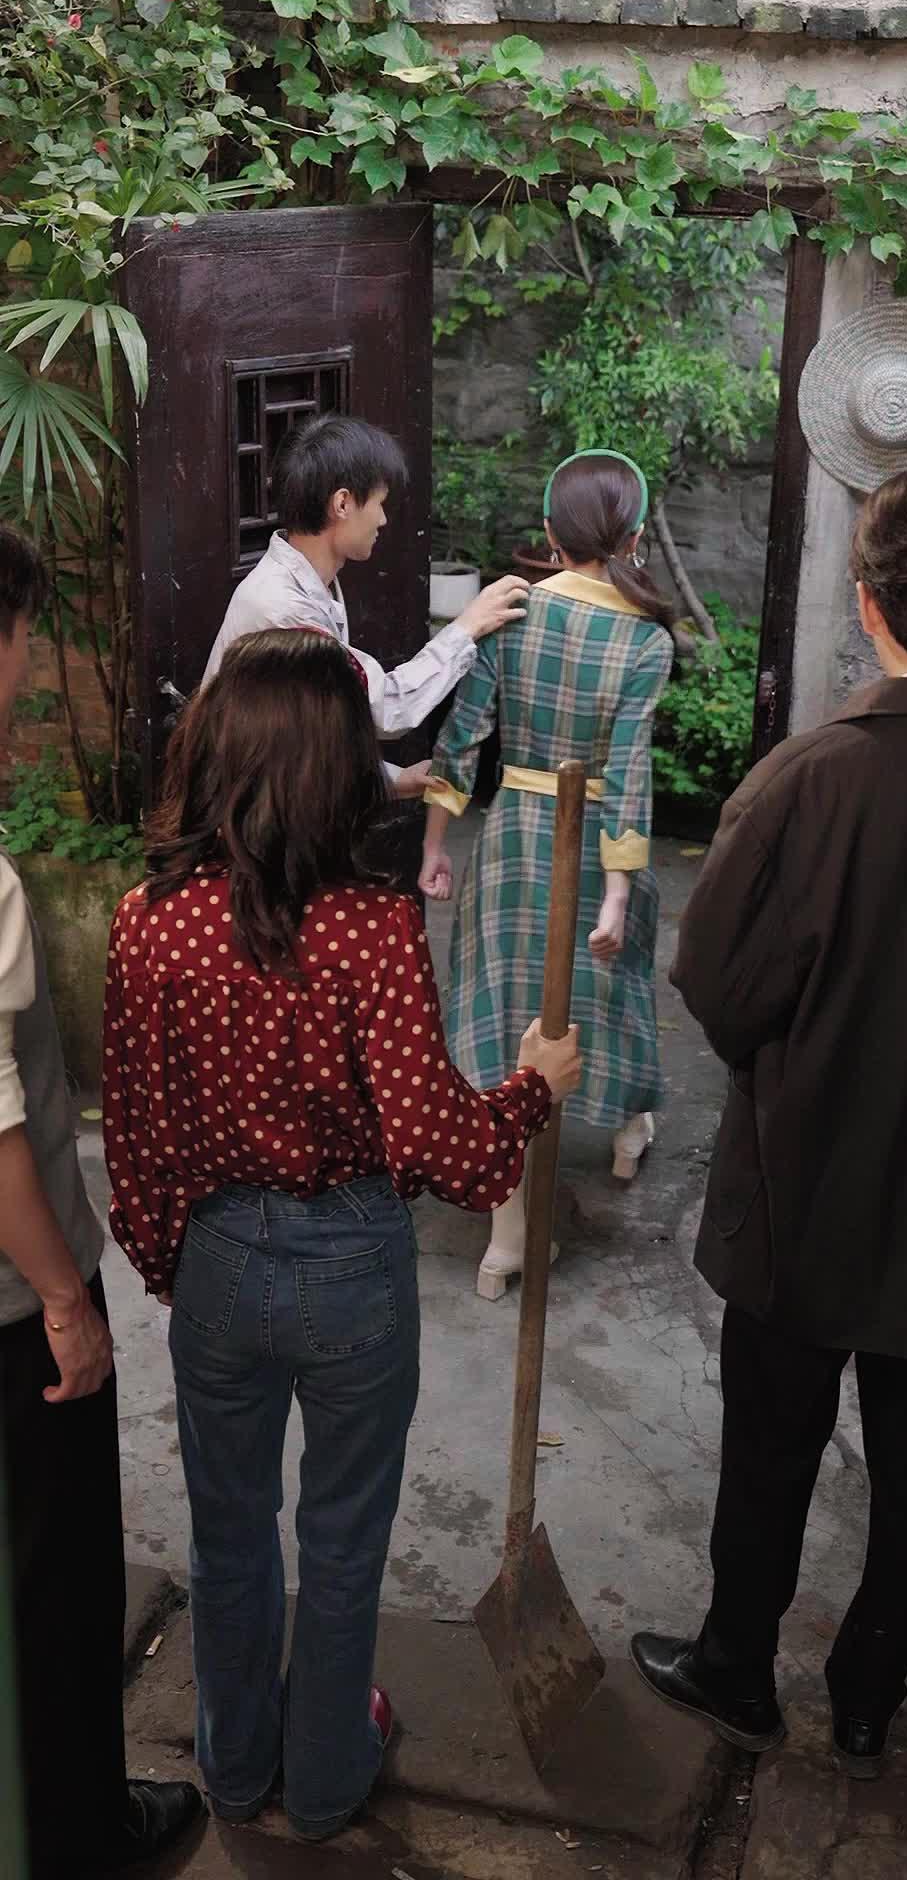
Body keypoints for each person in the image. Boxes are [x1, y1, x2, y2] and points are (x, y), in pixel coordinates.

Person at [632, 466, 907, 1777]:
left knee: (771, 1444)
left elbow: (720, 986)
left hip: (807, 1182)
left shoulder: (811, 780)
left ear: (872, 605)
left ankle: (737, 1668)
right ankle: (871, 1693)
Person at [102, 628, 580, 1843]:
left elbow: (137, 1134)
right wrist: (533, 1091)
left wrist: (169, 1262)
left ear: (216, 753)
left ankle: (233, 1771)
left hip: (215, 1261)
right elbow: (446, 1149)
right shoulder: (369, 926)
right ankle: (322, 1785)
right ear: (335, 773)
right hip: (355, 1271)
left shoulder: (148, 921)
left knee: (227, 1537)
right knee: (342, 1539)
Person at [0, 527, 202, 1876]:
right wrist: (66, 1302)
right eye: (21, 637)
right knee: (55, 1585)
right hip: (14, 1310)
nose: (26, 669)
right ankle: (76, 1833)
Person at [421, 450, 674, 1299]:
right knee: (610, 991)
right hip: (599, 841)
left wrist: (433, 844)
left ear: (549, 535)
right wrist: (617, 891)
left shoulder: (513, 612)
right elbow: (628, 772)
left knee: (503, 1023)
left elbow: (462, 737)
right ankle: (630, 1125)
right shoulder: (646, 640)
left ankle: (507, 1241)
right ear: (633, 536)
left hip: (514, 840)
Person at [202, 413, 529, 796]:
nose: (383, 519)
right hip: (252, 811)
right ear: (342, 503)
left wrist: (394, 780)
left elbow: (321, 724)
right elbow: (384, 707)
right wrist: (467, 627)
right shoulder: (283, 608)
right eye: (379, 502)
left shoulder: (308, 584)